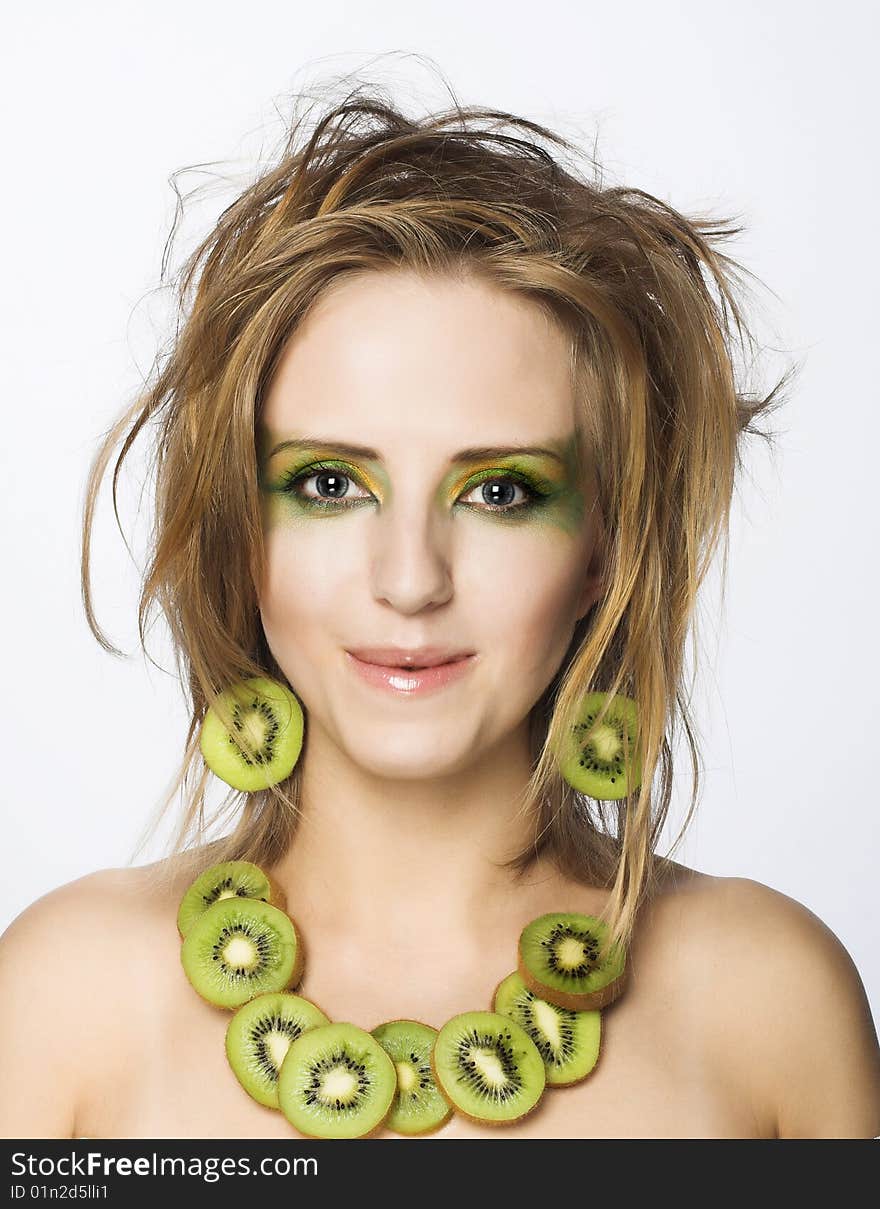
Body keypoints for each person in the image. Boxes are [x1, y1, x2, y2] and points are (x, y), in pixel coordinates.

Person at [1, 83, 878, 1141]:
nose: (410, 579)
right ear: (241, 531)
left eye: (498, 492)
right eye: (330, 484)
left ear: (603, 547)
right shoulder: (63, 1001)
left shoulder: (767, 1003)